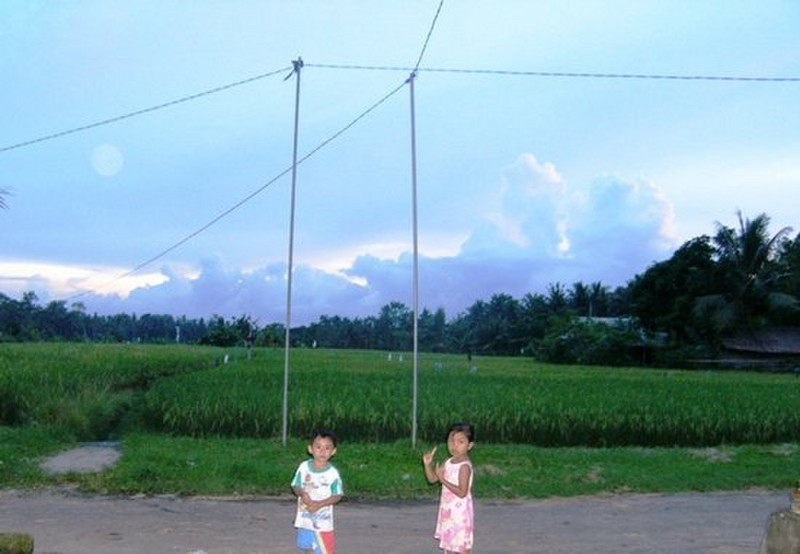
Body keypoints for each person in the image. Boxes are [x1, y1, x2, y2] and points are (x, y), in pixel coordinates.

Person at [422, 422, 475, 554]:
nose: (454, 445)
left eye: (460, 442)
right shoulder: (448, 462)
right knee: (449, 546)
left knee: (462, 547)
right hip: (448, 512)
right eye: (451, 441)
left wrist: (443, 480)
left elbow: (462, 492)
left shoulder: (464, 466)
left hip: (460, 514)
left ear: (470, 445)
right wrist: (428, 465)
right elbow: (433, 479)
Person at [291, 429, 343, 554]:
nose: (322, 452)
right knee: (308, 548)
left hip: (322, 522)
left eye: (327, 448)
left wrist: (319, 504)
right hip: (305, 519)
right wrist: (302, 494)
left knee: (324, 550)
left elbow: (337, 495)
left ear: (333, 451)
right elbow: (295, 485)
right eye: (318, 447)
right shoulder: (303, 468)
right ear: (310, 449)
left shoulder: (333, 474)